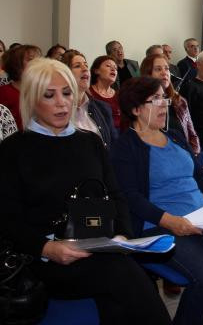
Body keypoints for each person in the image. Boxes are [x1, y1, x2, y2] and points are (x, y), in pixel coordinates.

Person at [0, 58, 171, 325]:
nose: (62, 103)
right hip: (46, 260)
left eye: (67, 93)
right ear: (32, 100)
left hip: (99, 246)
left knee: (120, 291)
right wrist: (47, 248)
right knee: (124, 277)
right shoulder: (13, 150)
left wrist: (122, 236)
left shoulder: (90, 142)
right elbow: (8, 219)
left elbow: (116, 195)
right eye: (49, 95)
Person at [111, 77, 203, 325]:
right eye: (155, 99)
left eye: (164, 97)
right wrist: (171, 222)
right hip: (162, 225)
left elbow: (200, 174)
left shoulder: (175, 136)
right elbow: (131, 197)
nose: (163, 104)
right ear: (135, 109)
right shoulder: (126, 147)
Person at [140, 53, 200, 155]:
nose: (164, 73)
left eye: (167, 69)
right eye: (158, 69)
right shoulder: (142, 103)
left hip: (184, 155)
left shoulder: (179, 100)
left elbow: (192, 134)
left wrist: (192, 154)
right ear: (148, 75)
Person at [61, 50, 118, 150]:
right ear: (66, 73)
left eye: (86, 65)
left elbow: (114, 145)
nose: (85, 69)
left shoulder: (103, 108)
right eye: (77, 66)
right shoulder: (58, 109)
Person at [0, 44, 42, 130]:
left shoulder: (45, 92)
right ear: (16, 65)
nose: (39, 64)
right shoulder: (3, 93)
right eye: (31, 59)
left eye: (39, 60)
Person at [89, 55, 121, 129]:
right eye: (108, 66)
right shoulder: (88, 93)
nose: (113, 69)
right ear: (96, 71)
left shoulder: (119, 95)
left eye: (115, 68)